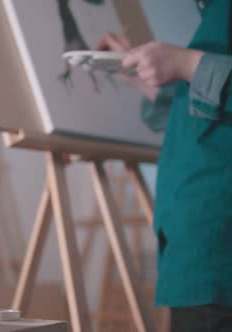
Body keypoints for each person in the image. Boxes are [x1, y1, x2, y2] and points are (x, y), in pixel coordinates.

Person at [98, 0, 232, 330]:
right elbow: (203, 116)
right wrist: (141, 74)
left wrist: (187, 64)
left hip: (218, 253)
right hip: (194, 248)